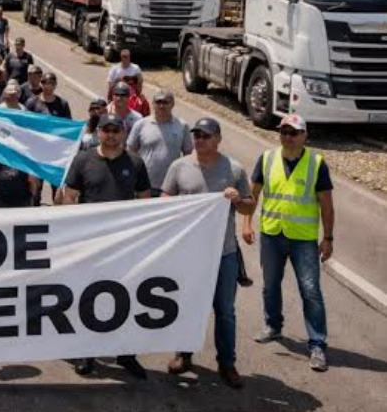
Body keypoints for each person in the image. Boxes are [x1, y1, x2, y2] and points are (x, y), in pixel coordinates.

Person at [56, 113, 151, 379]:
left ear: (123, 133)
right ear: (98, 133)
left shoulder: (135, 162)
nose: (110, 135)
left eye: (115, 130)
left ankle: (125, 353)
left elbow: (145, 201)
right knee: (88, 297)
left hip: (124, 245)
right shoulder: (83, 160)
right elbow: (70, 198)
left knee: (125, 296)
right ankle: (86, 352)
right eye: (106, 130)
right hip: (91, 245)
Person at [162, 118, 255, 389]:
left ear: (218, 139)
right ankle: (184, 354)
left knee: (225, 311)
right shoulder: (179, 166)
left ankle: (227, 363)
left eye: (205, 135)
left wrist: (238, 199)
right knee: (187, 305)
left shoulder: (234, 169)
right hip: (189, 253)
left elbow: (249, 207)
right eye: (197, 135)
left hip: (224, 253)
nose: (199, 139)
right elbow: (165, 199)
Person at [246, 114, 334, 372]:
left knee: (310, 291)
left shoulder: (317, 164)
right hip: (272, 234)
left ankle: (317, 344)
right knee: (270, 285)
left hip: (303, 239)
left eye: (294, 132)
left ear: (304, 135)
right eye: (284, 132)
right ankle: (273, 326)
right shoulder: (267, 158)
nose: (288, 137)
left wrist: (328, 238)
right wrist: (246, 223)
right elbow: (253, 194)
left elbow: (327, 205)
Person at [128, 90, 192, 196]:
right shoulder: (140, 124)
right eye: (158, 102)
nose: (162, 106)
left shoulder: (182, 126)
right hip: (145, 185)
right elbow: (130, 152)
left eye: (166, 102)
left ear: (172, 104)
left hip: (171, 187)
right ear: (153, 104)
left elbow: (188, 154)